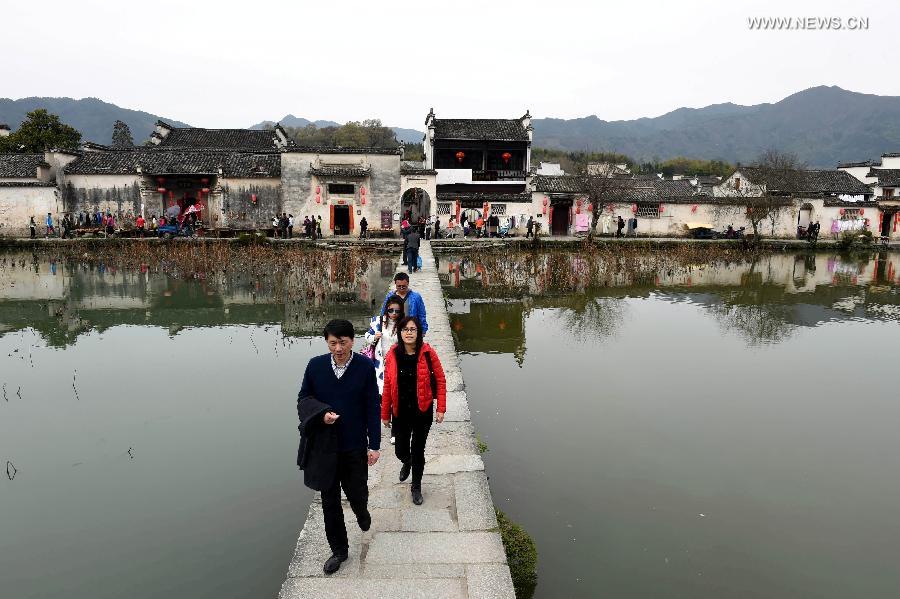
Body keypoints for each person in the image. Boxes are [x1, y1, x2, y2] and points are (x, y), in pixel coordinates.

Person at [297, 319, 380, 575]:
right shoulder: (316, 366)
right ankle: (339, 550)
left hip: (354, 445)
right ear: (327, 342)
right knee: (329, 501)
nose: (338, 348)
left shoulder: (365, 367)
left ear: (352, 341)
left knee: (357, 493)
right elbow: (303, 399)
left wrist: (374, 445)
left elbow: (371, 408)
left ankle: (362, 512)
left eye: (342, 342)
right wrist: (321, 415)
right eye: (333, 343)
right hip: (325, 447)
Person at [381, 316, 446, 505]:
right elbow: (387, 385)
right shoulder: (392, 354)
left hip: (422, 411)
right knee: (400, 450)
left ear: (418, 333)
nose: (409, 333)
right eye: (405, 329)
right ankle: (406, 461)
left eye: (413, 329)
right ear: (400, 333)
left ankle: (416, 486)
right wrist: (385, 413)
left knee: (418, 450)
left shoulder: (427, 353)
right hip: (400, 412)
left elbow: (441, 380)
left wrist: (441, 408)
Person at [364, 294, 405, 444]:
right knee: (381, 397)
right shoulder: (377, 322)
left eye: (397, 311)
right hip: (380, 366)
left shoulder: (404, 324)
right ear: (386, 310)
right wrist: (374, 337)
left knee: (395, 397)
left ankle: (395, 431)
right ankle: (384, 420)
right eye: (391, 310)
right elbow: (366, 336)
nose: (394, 314)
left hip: (398, 365)